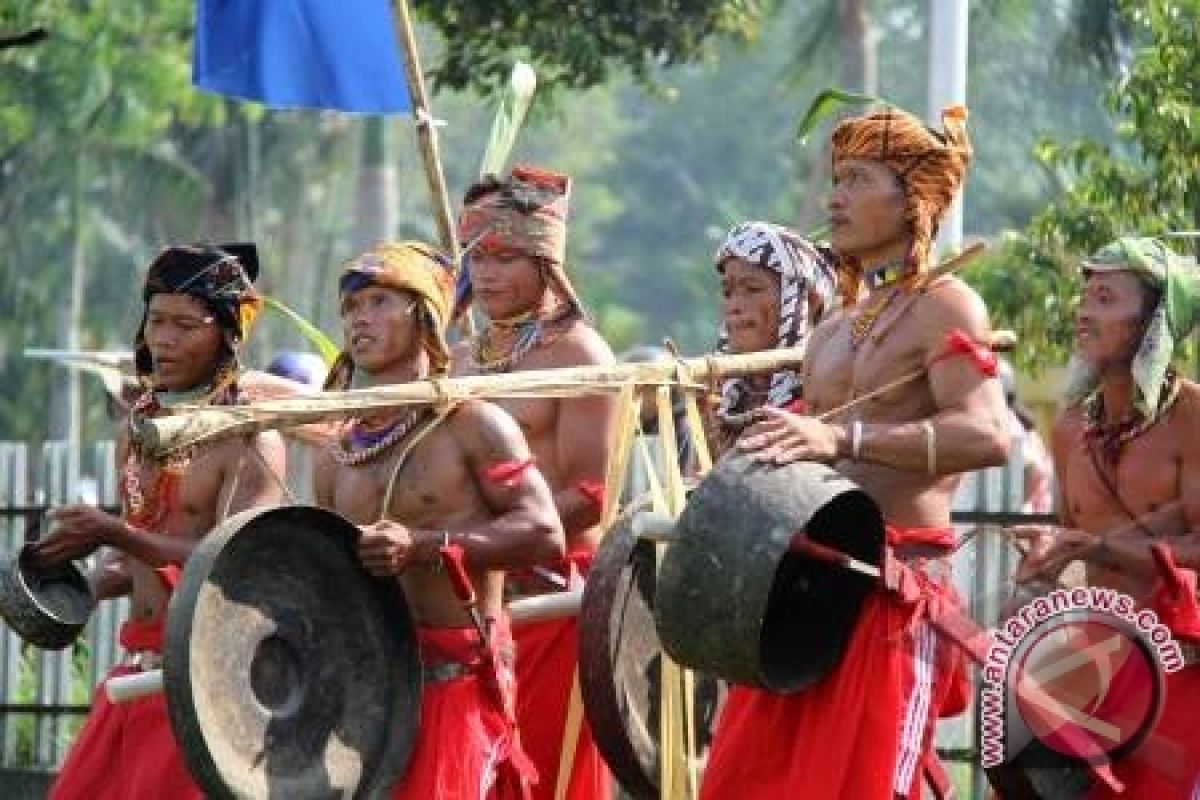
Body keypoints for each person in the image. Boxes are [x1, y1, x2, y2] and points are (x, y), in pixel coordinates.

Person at [699, 105, 1010, 800]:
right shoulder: (831, 329)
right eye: (835, 179)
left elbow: (988, 435)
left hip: (894, 594)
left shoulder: (947, 305)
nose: (834, 197)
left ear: (912, 198)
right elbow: (809, 458)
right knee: (745, 784)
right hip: (805, 591)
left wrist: (842, 437)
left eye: (857, 179)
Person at [34, 243, 287, 800]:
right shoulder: (137, 428)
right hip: (137, 674)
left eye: (184, 325)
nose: (164, 340)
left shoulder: (249, 438)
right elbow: (140, 555)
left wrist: (115, 533)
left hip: (210, 687)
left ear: (225, 332)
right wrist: (75, 584)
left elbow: (238, 568)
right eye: (156, 321)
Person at [313, 241, 564, 798]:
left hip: (457, 682)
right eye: (352, 308)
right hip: (369, 690)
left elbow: (545, 531)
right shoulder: (336, 454)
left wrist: (423, 545)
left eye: (379, 302)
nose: (360, 319)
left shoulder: (474, 424)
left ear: (424, 316)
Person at [1013, 237, 1200, 798]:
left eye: (1104, 298)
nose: (1083, 312)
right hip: (1094, 664)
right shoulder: (1071, 428)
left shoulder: (1193, 418)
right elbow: (1064, 542)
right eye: (1083, 296)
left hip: (1180, 669)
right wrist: (1044, 565)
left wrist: (1095, 548)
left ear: (1153, 323)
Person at [453, 165, 616, 800]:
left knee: (546, 772)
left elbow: (591, 495)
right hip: (465, 598)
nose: (486, 272)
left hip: (552, 599)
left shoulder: (580, 356)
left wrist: (490, 542)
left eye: (504, 256)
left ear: (546, 260)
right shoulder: (459, 361)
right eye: (476, 256)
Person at [708, 220, 838, 451]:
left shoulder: (830, 388)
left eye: (753, 289)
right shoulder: (718, 398)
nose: (734, 306)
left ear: (807, 301)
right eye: (728, 292)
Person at [997, 357, 1055, 513]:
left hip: (1020, 518)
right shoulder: (1018, 422)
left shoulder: (1010, 424)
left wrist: (1012, 507)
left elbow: (1034, 471)